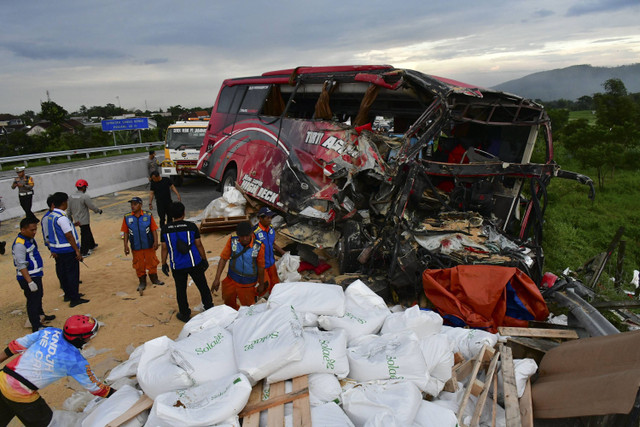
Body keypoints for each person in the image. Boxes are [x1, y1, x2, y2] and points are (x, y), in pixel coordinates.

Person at [0, 315, 115, 426]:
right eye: (89, 336)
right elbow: (97, 389)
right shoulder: (75, 361)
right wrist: (117, 391)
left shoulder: (49, 332)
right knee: (49, 424)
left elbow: (15, 346)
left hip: (2, 378)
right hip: (21, 393)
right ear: (81, 338)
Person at [160, 202, 212, 322]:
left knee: (181, 290)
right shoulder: (191, 226)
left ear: (172, 215)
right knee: (202, 285)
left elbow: (164, 248)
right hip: (194, 262)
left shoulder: (165, 230)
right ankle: (209, 307)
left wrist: (164, 263)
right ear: (183, 213)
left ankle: (184, 313)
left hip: (177, 265)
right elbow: (199, 244)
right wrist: (204, 259)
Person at [12, 216, 55, 333]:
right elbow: (21, 265)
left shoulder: (29, 239)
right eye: (32, 230)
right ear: (23, 230)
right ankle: (36, 326)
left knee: (38, 296)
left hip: (35, 275)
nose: (35, 232)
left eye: (35, 229)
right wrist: (30, 282)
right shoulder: (19, 244)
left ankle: (41, 315)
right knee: (32, 300)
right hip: (28, 277)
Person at [46, 192, 89, 307]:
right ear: (64, 203)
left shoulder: (51, 216)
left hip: (57, 250)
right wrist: (77, 251)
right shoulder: (62, 218)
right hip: (67, 250)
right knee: (72, 274)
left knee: (63, 273)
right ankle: (74, 298)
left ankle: (68, 294)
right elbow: (69, 235)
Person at [211, 221, 266, 310]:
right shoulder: (232, 242)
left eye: (247, 236)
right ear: (237, 234)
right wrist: (217, 278)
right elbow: (223, 259)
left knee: (249, 308)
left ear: (251, 234)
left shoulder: (259, 247)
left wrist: (261, 284)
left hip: (248, 284)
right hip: (231, 280)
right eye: (242, 236)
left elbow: (261, 267)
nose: (244, 239)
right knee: (228, 303)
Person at [122, 196, 164, 295]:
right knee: (138, 264)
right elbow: (126, 232)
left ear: (140, 205)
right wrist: (125, 246)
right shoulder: (127, 217)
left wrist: (156, 241)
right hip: (136, 247)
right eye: (131, 204)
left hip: (148, 245)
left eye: (135, 204)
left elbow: (153, 229)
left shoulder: (148, 215)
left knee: (152, 262)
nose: (133, 206)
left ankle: (155, 279)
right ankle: (142, 282)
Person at [253, 206, 285, 296]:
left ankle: (272, 301)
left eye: (271, 217)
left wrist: (283, 253)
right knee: (264, 286)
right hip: (261, 266)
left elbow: (273, 244)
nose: (270, 220)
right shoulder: (255, 232)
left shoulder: (271, 229)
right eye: (267, 218)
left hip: (271, 264)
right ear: (260, 218)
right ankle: (252, 296)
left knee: (275, 286)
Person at [67, 179, 103, 257]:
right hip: (84, 219)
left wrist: (69, 218)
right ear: (83, 187)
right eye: (85, 187)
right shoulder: (85, 196)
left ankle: (92, 244)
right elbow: (91, 206)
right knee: (85, 234)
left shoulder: (71, 197)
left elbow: (69, 209)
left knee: (87, 231)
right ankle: (84, 252)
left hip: (76, 218)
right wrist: (98, 210)